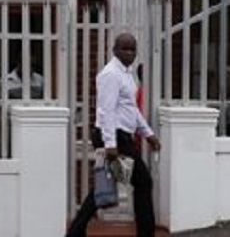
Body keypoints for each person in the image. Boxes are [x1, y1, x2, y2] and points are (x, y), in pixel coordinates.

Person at [65, 32, 161, 237]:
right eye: (124, 49)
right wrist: (110, 144)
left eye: (133, 49)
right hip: (114, 136)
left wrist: (148, 133)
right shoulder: (110, 74)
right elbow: (105, 110)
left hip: (121, 135)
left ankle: (75, 231)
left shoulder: (127, 74)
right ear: (114, 50)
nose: (129, 53)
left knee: (104, 185)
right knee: (143, 181)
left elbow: (131, 109)